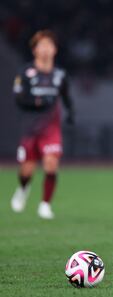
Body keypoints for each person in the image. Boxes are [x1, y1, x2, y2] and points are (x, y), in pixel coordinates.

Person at [11, 30, 74, 219]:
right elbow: (19, 99)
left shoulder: (60, 75)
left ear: (55, 50)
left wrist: (71, 112)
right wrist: (38, 101)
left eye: (49, 45)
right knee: (27, 169)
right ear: (34, 50)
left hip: (51, 128)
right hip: (30, 128)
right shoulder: (26, 73)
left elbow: (66, 97)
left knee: (51, 164)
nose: (46, 49)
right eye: (42, 45)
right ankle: (23, 189)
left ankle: (45, 205)